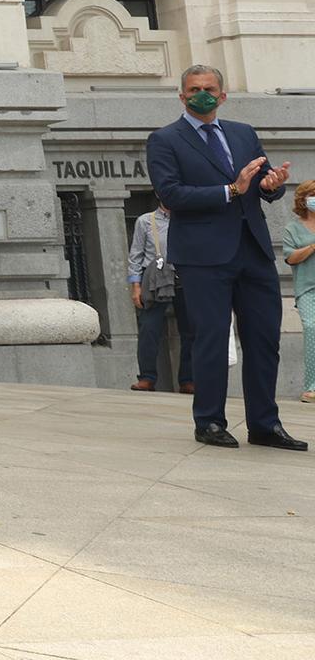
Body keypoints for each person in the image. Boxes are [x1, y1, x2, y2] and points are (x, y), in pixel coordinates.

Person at [147, 64, 301, 451]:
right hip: (203, 256)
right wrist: (231, 190)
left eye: (210, 88)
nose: (203, 94)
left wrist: (272, 185)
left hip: (253, 250)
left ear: (223, 94)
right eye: (194, 89)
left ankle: (265, 424)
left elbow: (262, 185)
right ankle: (210, 421)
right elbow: (171, 194)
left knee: (264, 339)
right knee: (211, 339)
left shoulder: (243, 133)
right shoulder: (165, 140)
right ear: (182, 96)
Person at [126, 198, 193, 394]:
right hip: (156, 280)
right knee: (149, 328)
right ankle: (146, 378)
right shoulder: (145, 221)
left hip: (184, 278)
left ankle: (188, 380)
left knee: (191, 331)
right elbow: (135, 255)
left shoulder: (189, 218)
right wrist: (136, 287)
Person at [283, 181, 315, 406]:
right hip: (307, 288)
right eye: (313, 194)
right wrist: (312, 246)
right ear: (303, 199)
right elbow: (290, 257)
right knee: (312, 328)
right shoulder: (292, 229)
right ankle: (311, 386)